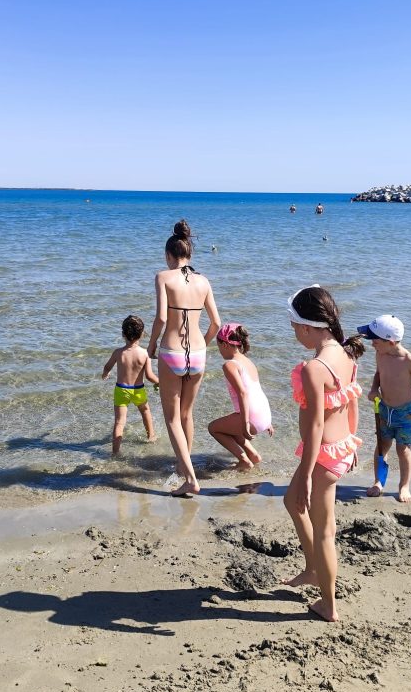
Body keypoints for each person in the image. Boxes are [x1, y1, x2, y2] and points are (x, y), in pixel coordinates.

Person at [283, 285, 366, 622]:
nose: (294, 333)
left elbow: (316, 425)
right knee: (291, 502)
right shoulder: (346, 354)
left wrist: (305, 475)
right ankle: (312, 569)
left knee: (325, 532)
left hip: (323, 456)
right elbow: (352, 400)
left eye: (294, 327)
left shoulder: (315, 368)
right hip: (341, 447)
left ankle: (328, 605)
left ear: (307, 327)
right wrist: (353, 441)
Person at [147, 220, 221, 497]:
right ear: (189, 253)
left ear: (169, 255)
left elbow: (161, 318)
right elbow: (216, 323)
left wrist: (151, 345)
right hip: (198, 353)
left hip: (172, 352)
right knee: (187, 414)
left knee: (172, 419)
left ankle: (189, 478)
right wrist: (204, 345)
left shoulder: (163, 277)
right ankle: (183, 467)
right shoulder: (204, 281)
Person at [358, 314, 411, 503]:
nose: (372, 344)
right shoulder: (380, 354)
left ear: (391, 342)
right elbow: (378, 374)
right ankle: (378, 482)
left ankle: (404, 486)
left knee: (403, 450)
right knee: (382, 446)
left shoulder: (408, 360)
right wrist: (374, 389)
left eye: (375, 340)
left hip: (407, 414)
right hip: (385, 410)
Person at [207, 323, 274, 471]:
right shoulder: (247, 361)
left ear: (224, 344)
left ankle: (244, 460)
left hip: (253, 418)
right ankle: (253, 455)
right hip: (263, 415)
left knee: (213, 428)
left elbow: (243, 393)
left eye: (218, 347)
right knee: (232, 427)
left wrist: (245, 423)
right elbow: (257, 390)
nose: (219, 351)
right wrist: (267, 421)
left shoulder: (230, 365)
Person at [101, 315, 158, 455]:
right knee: (145, 412)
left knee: (119, 422)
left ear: (123, 334)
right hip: (138, 390)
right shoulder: (144, 354)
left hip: (121, 390)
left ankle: (115, 452)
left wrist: (105, 374)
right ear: (142, 334)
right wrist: (160, 382)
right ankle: (151, 437)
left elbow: (107, 366)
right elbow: (149, 376)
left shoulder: (118, 353)